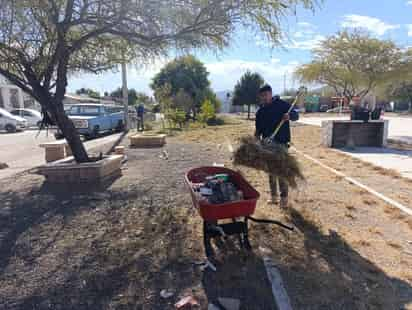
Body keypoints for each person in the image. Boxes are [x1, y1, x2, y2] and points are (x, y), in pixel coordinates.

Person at [255, 85, 299, 209]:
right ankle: (274, 197)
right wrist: (256, 142)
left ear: (270, 93)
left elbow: (296, 115)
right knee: (271, 172)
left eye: (265, 95)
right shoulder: (260, 111)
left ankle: (284, 198)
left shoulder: (282, 105)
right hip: (267, 144)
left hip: (282, 144)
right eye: (261, 96)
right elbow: (258, 130)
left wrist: (289, 116)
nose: (263, 98)